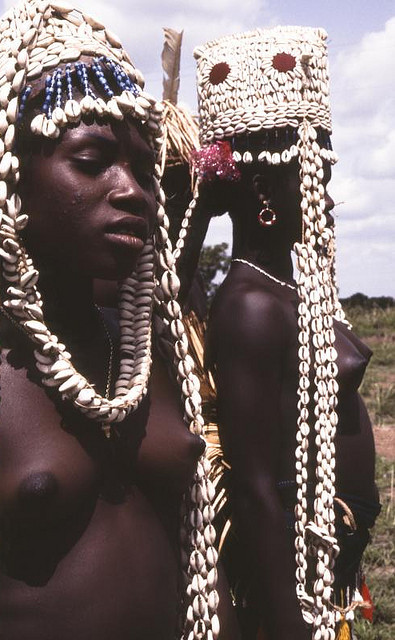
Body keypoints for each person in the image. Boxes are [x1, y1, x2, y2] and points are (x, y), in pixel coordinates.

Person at [0, 2, 222, 639]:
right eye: (91, 160)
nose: (133, 190)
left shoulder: (145, 347)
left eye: (143, 170)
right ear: (6, 178)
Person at [178, 26, 381, 640]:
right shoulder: (253, 308)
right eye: (311, 169)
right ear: (266, 191)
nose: (323, 187)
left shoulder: (292, 285)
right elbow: (260, 488)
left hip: (326, 576)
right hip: (294, 595)